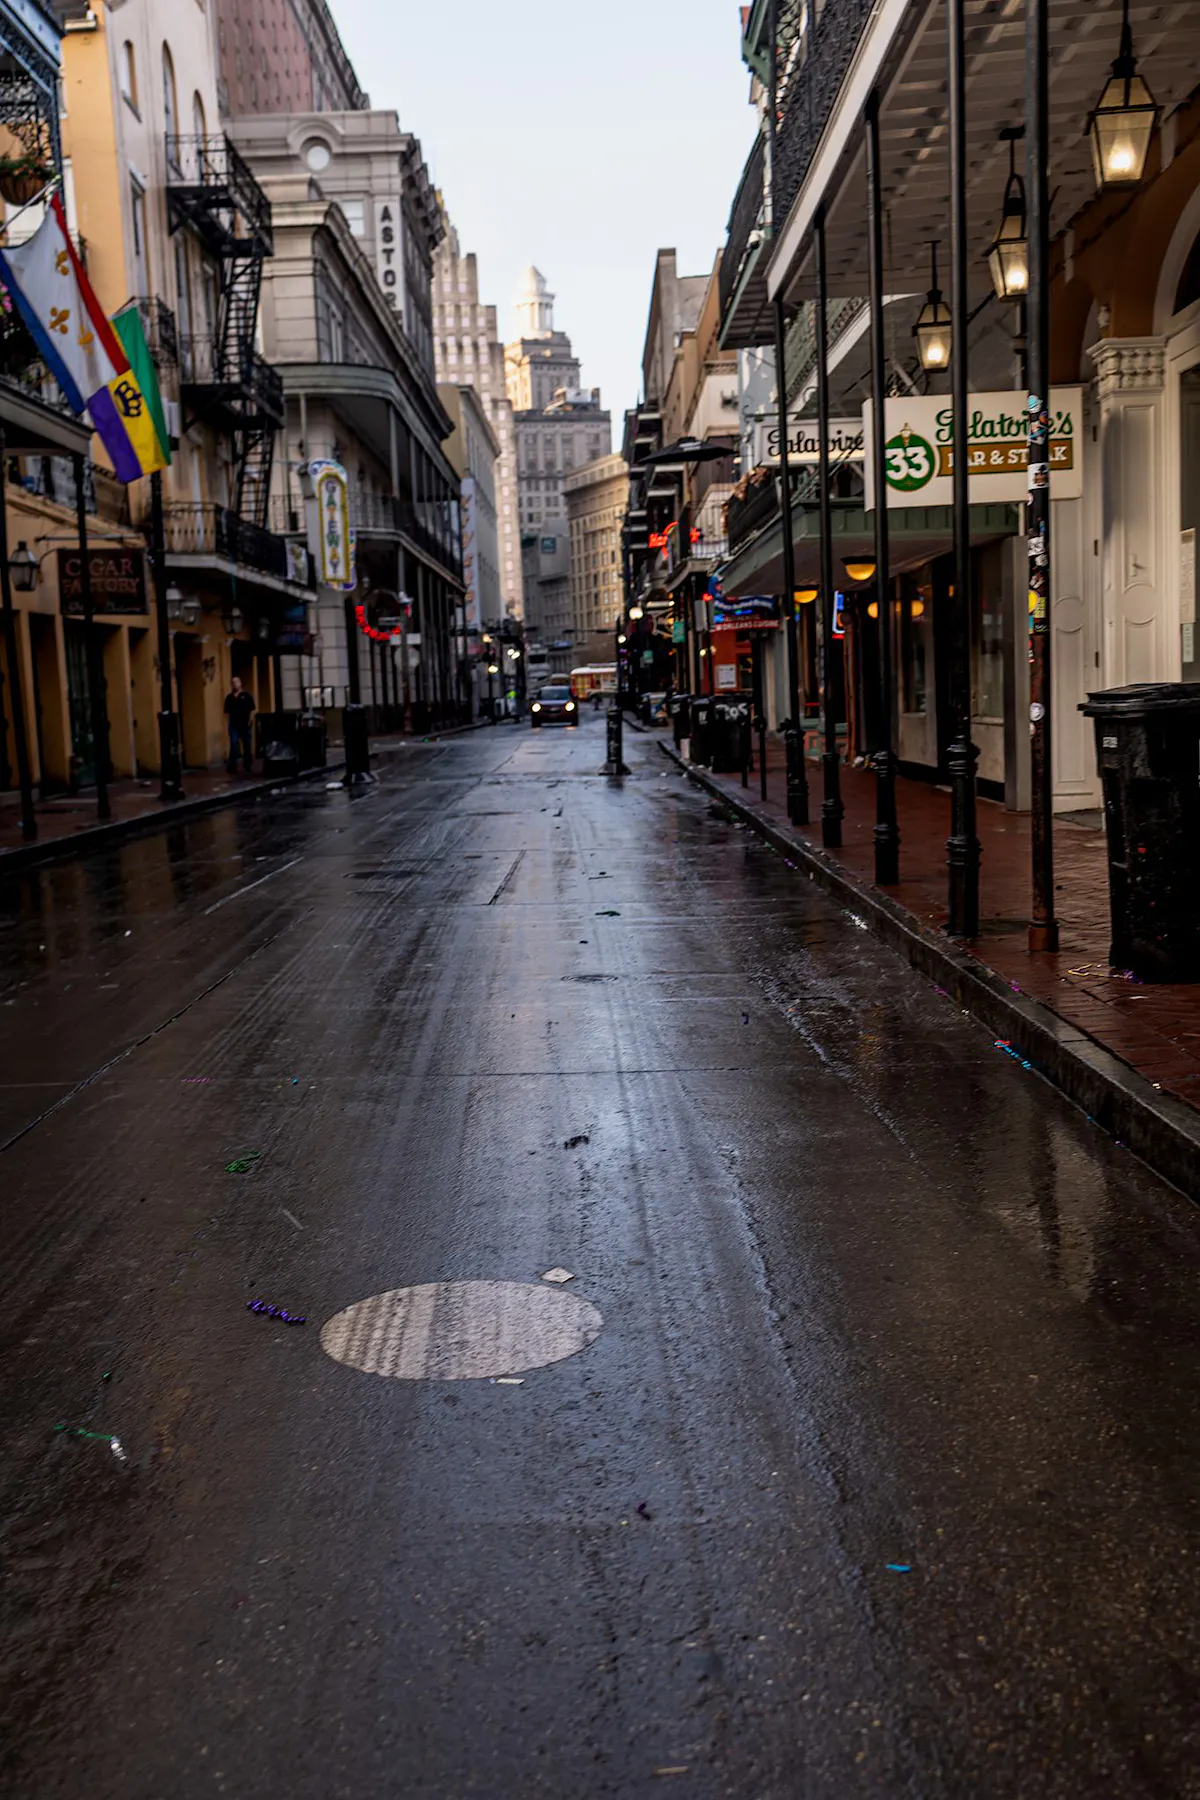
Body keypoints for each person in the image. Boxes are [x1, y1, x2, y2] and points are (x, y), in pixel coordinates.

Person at [224, 675, 255, 775]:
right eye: (233, 682)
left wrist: (250, 720)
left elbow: (252, 709)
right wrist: (229, 722)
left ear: (240, 683)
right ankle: (232, 766)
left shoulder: (247, 696)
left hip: (245, 724)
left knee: (247, 745)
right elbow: (226, 712)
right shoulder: (229, 698)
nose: (234, 684)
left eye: (236, 682)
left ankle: (248, 765)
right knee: (234, 744)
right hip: (234, 725)